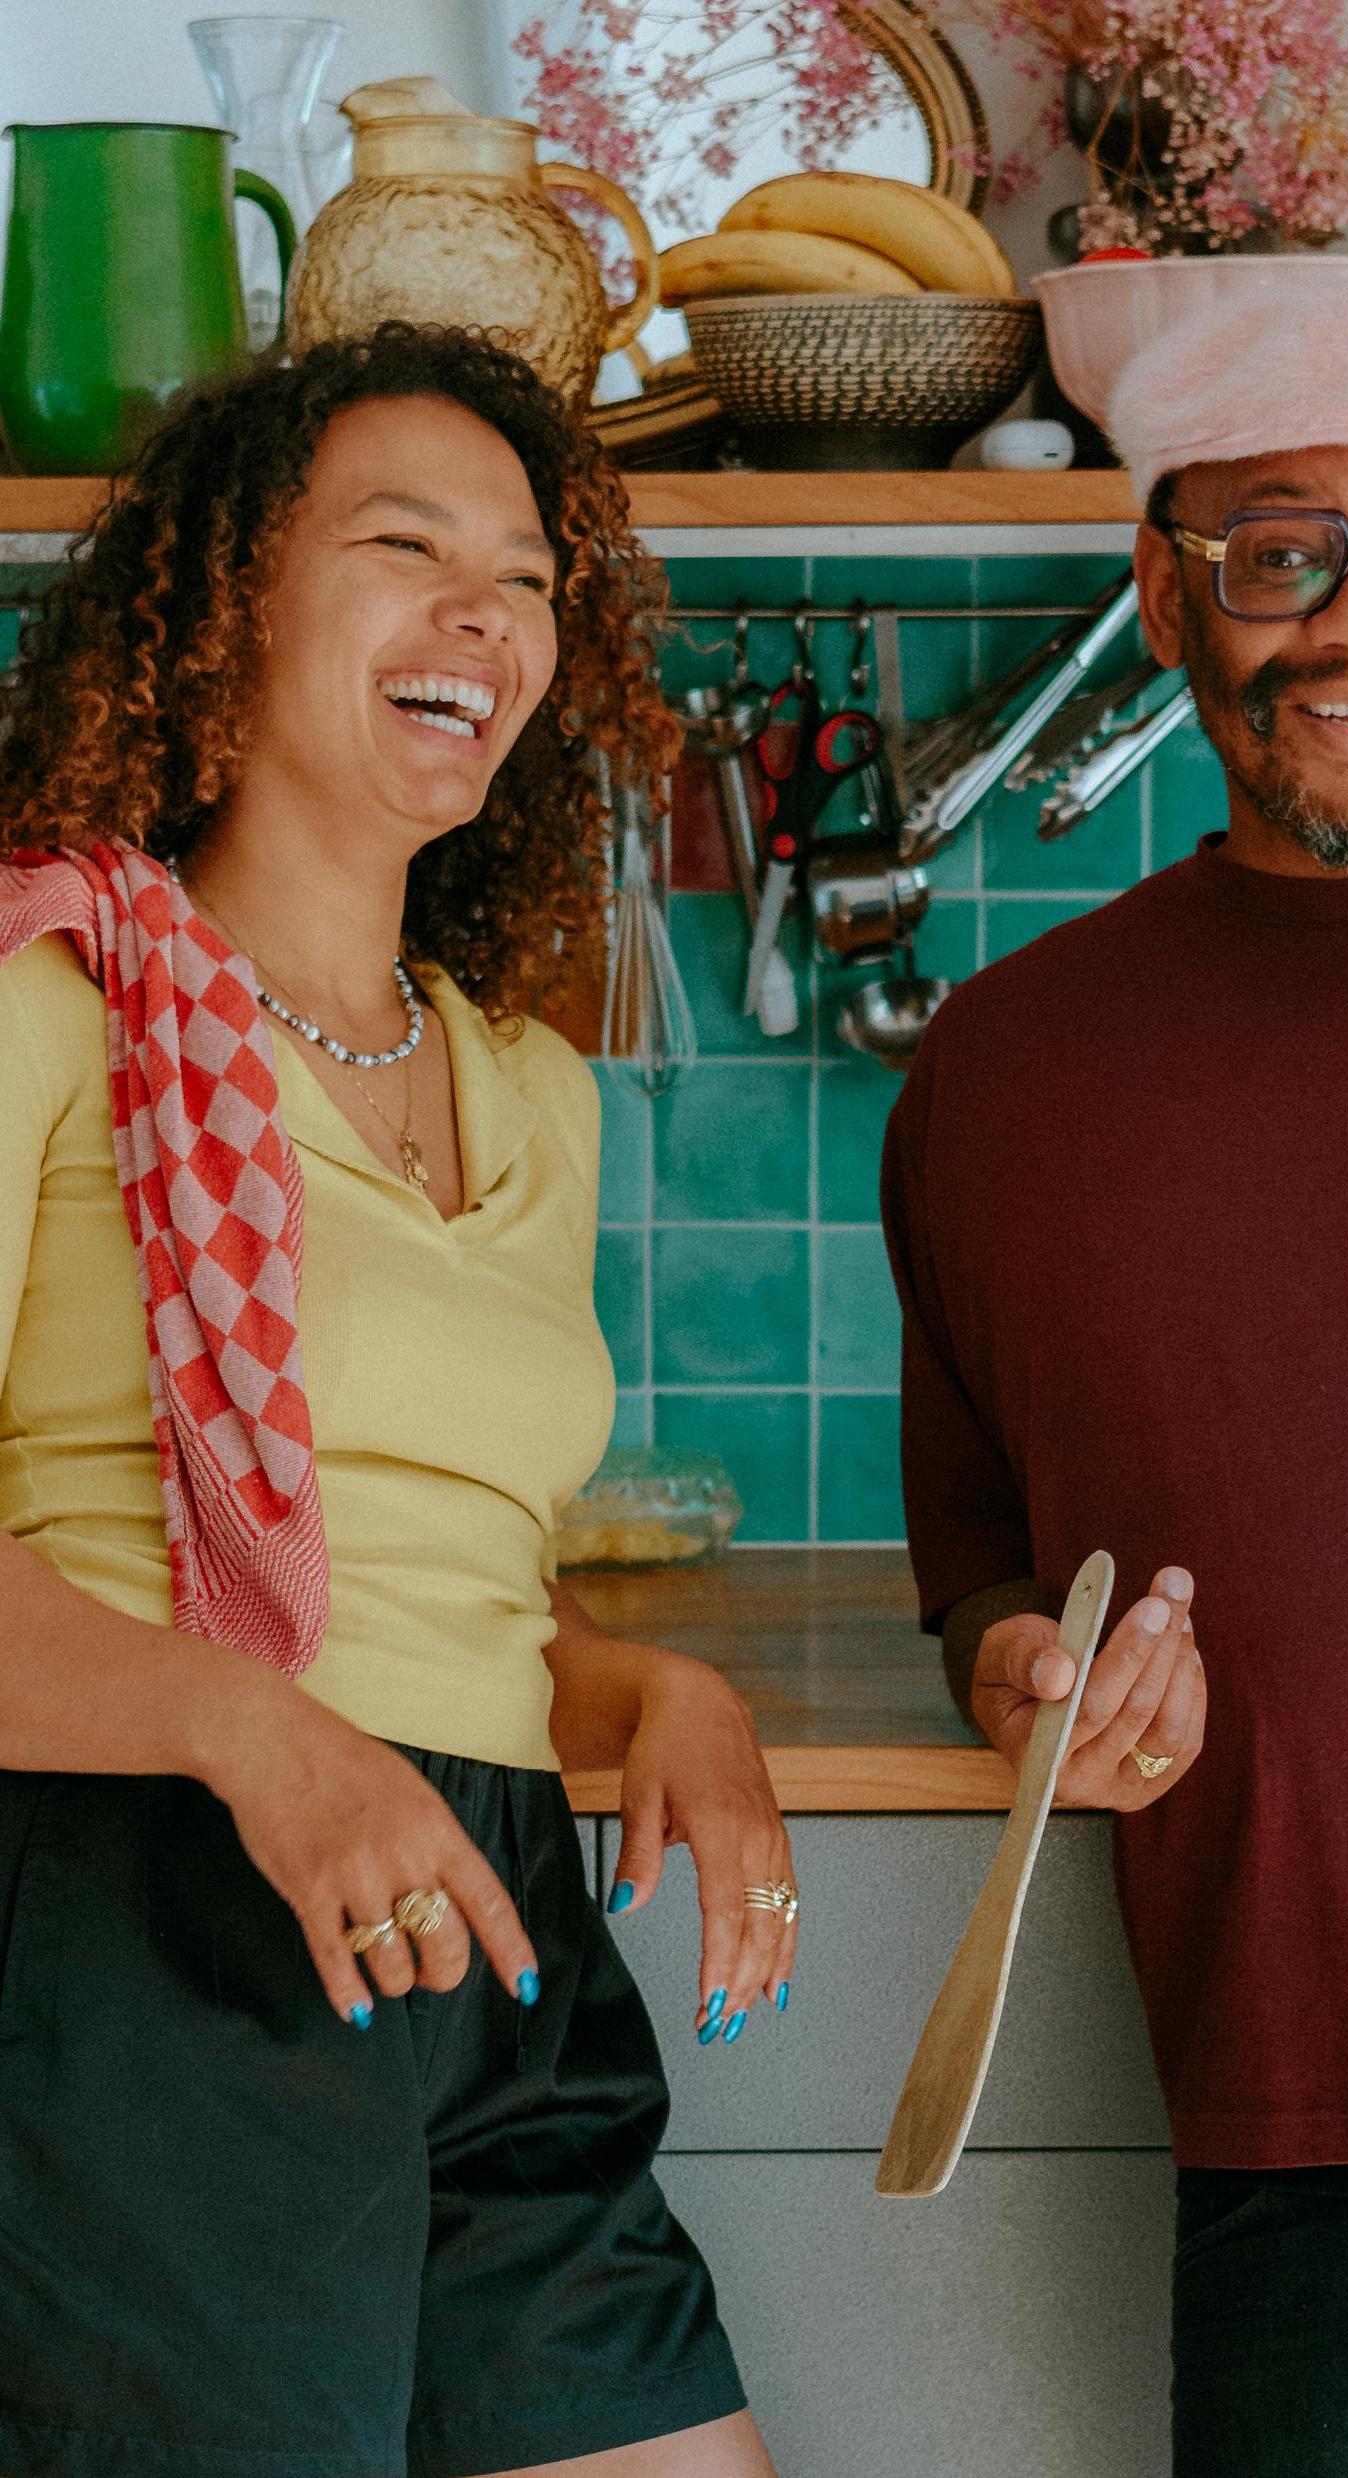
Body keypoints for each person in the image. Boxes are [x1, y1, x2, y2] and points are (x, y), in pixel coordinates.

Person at [0, 323, 797, 2478]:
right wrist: (263, 1738)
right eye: (403, 547)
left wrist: (653, 1693)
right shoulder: (51, 996)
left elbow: (446, 1586)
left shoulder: (532, 1087)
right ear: (229, 604)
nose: (484, 614)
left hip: (489, 1912)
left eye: (526, 578)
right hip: (165, 1912)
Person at [879, 275, 1348, 2475]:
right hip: (1319, 2190)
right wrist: (1022, 1667)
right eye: (1280, 549)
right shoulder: (1008, 1078)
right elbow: (982, 1557)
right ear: (1165, 593)